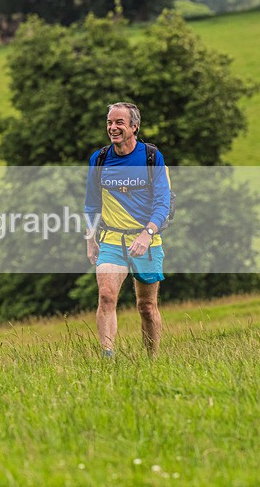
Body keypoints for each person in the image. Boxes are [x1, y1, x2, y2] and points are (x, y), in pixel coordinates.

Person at [85, 102, 171, 357]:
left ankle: (152, 359)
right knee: (106, 297)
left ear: (134, 126)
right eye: (110, 122)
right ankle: (107, 356)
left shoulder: (151, 157)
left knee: (146, 306)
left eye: (119, 122)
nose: (113, 127)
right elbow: (91, 204)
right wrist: (90, 239)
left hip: (146, 240)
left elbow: (162, 202)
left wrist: (148, 233)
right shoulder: (99, 159)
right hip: (111, 239)